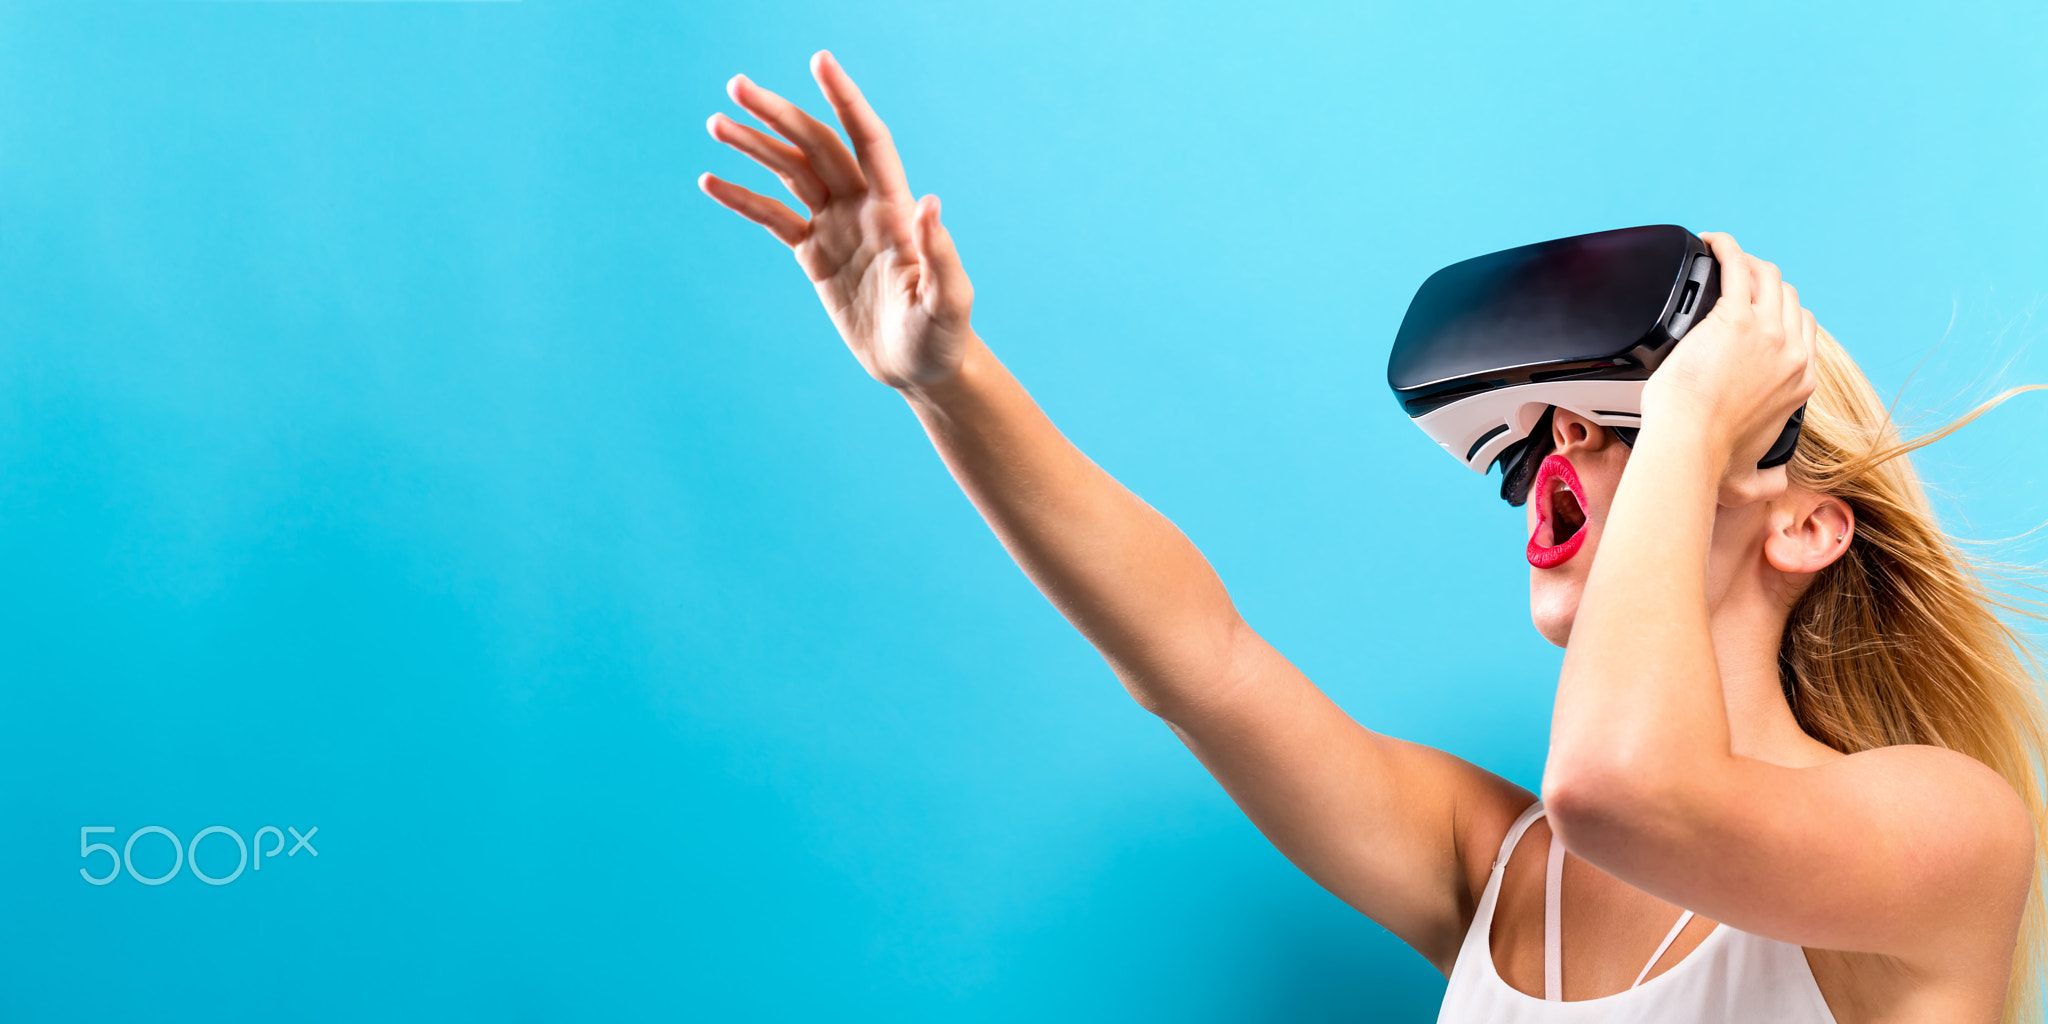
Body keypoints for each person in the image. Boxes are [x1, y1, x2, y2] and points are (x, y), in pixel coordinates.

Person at [699, 51, 2048, 1023]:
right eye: (1529, 441)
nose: (1545, 455)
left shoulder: (1946, 832)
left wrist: (1689, 421)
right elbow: (1199, 658)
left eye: (1602, 422)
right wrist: (947, 375)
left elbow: (1632, 790)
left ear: (1808, 523)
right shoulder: (1505, 870)